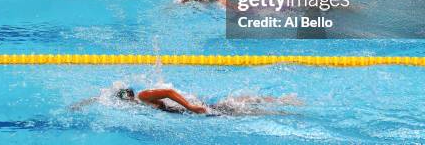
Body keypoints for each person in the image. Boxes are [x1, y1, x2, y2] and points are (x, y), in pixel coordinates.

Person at [106, 87, 302, 116]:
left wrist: (190, 106)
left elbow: (168, 91)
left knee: (237, 110)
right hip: (198, 108)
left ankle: (283, 106)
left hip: (198, 108)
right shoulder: (140, 102)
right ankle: (281, 101)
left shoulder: (142, 97)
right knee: (234, 105)